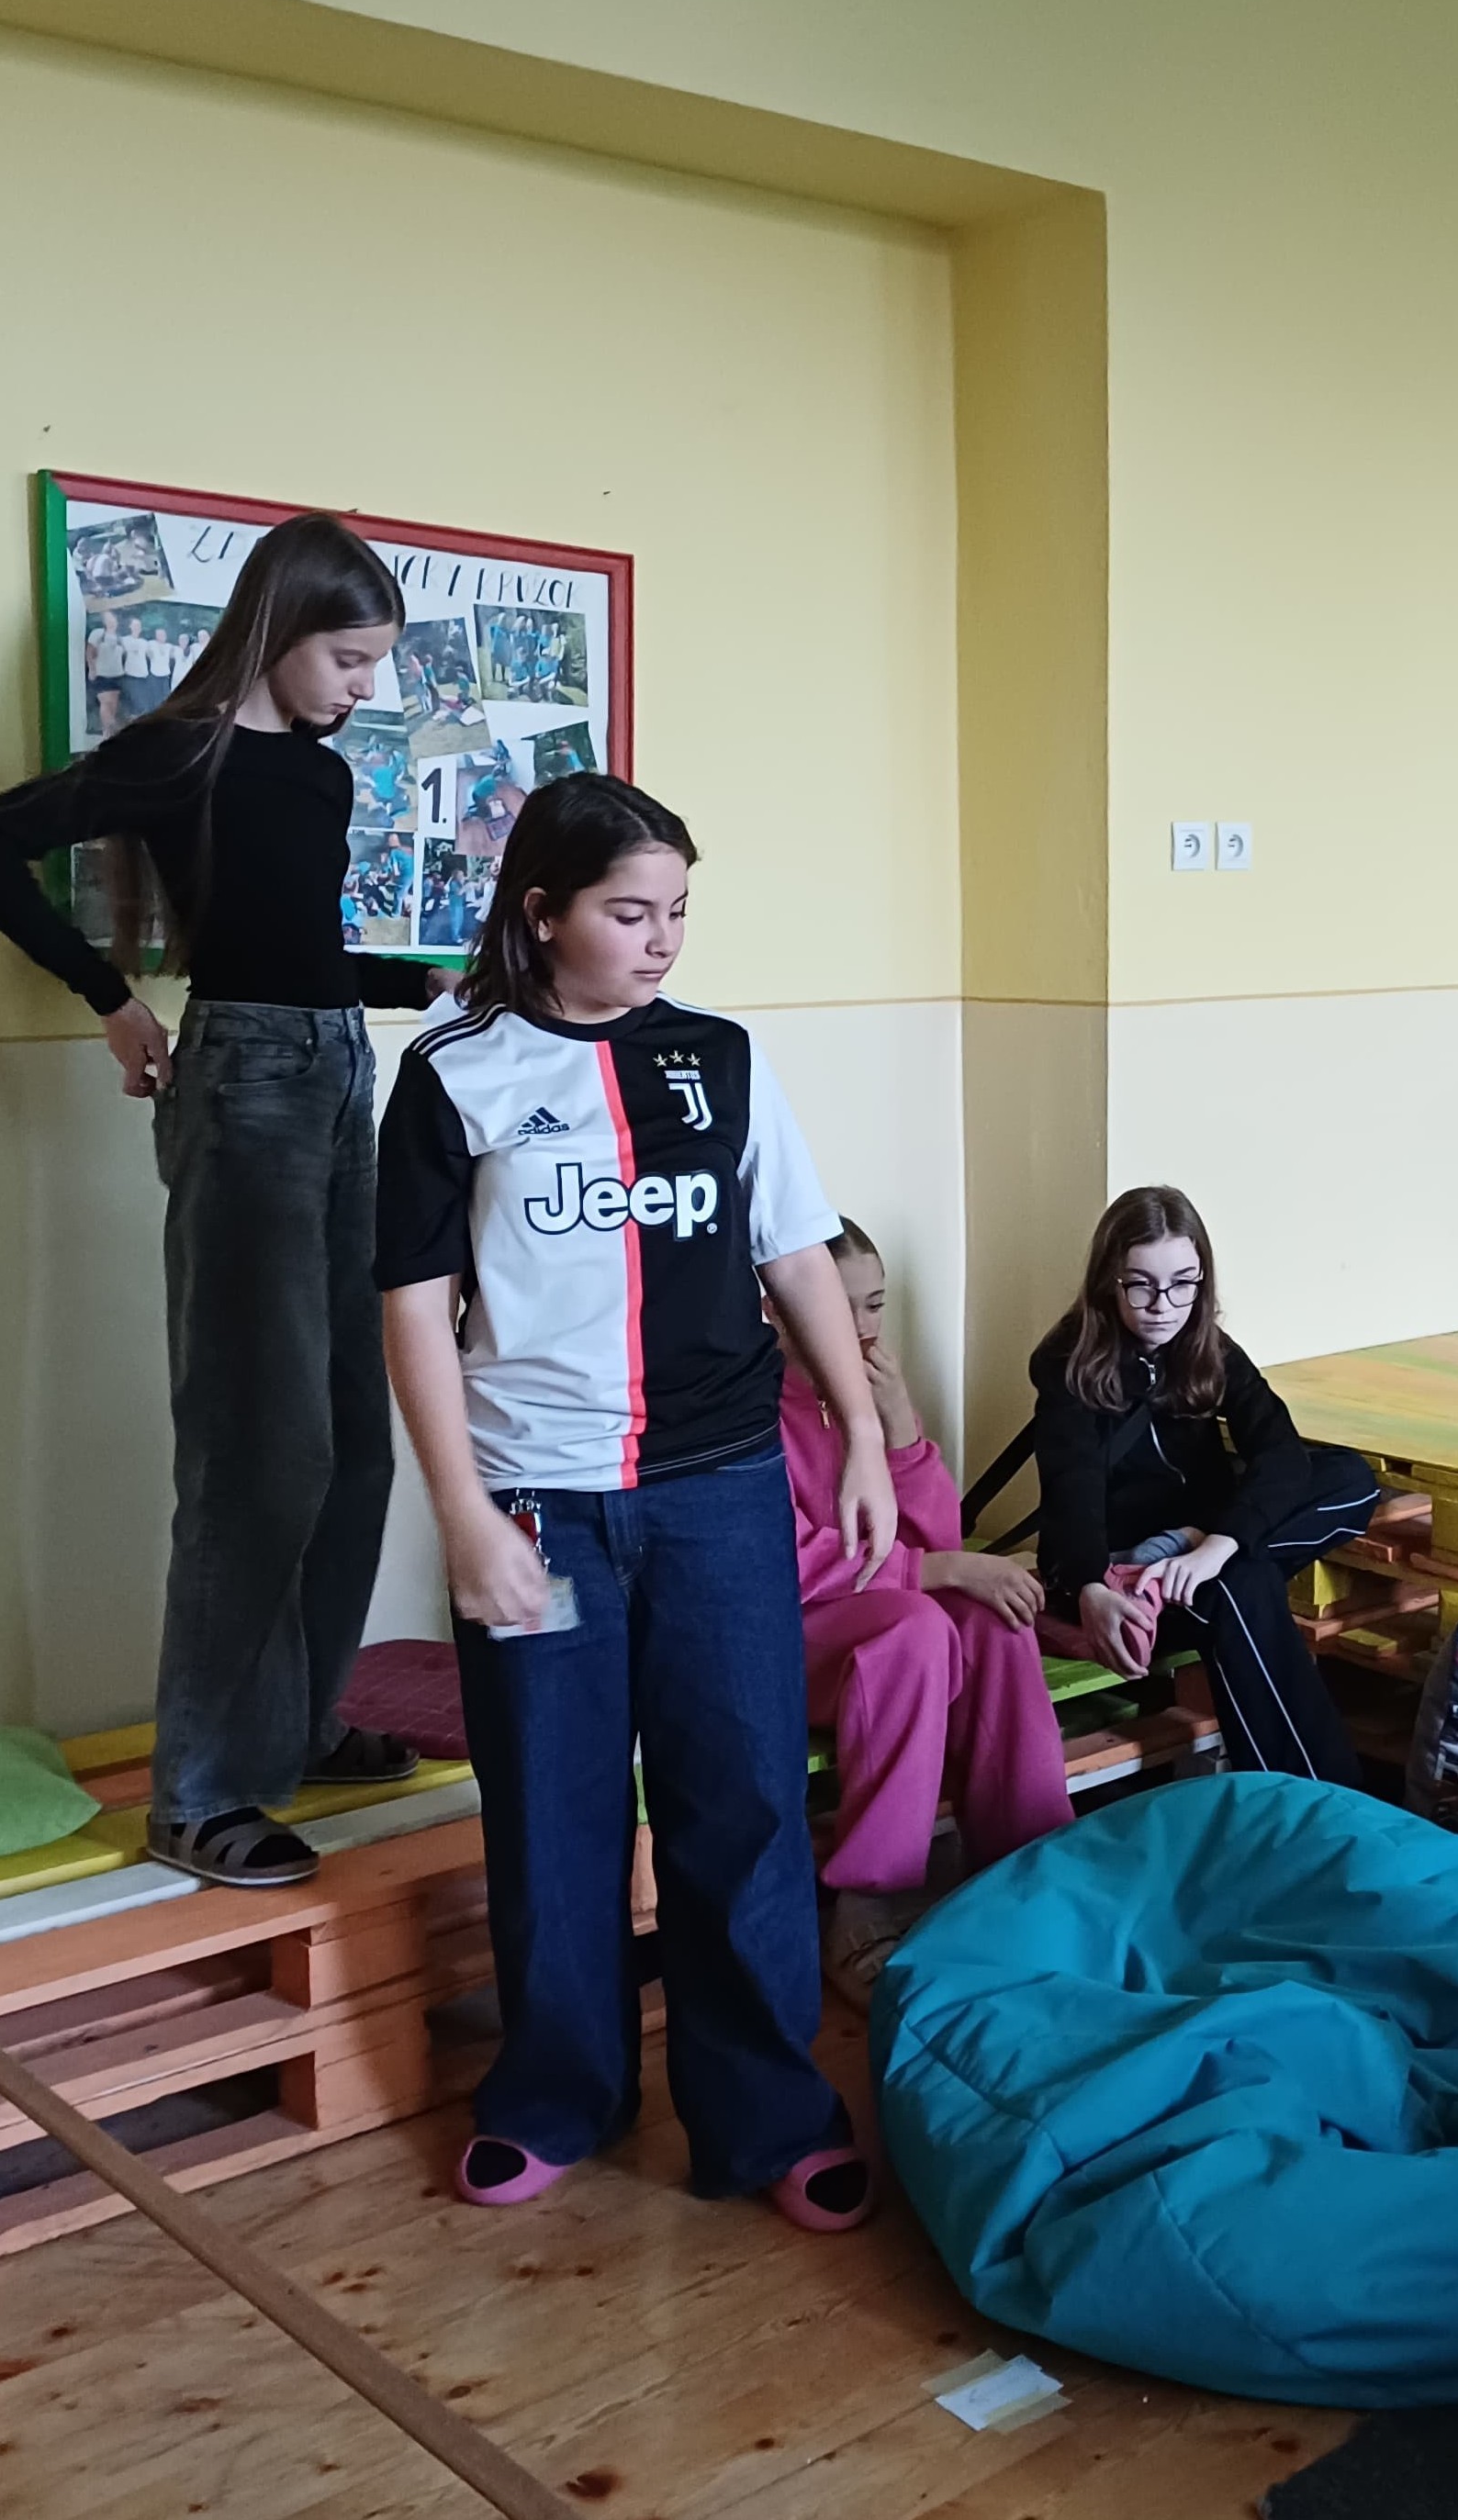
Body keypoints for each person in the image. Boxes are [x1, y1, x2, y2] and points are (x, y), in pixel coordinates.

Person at [376, 770, 892, 2234]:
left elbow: (794, 1251)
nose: (662, 937)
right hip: (539, 1498)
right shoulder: (453, 1070)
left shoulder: (720, 1057)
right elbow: (413, 1309)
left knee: (744, 1802)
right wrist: (464, 1513)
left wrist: (858, 1430)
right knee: (555, 1807)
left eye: (676, 909)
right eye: (628, 910)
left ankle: (767, 2113)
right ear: (542, 912)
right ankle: (556, 2095)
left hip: (716, 1490)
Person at [0, 514, 439, 1888]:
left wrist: (428, 985)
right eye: (349, 657)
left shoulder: (320, 772)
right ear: (278, 630)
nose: (365, 687)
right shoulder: (179, 752)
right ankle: (201, 1789)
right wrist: (109, 997)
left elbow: (301, 950)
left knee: (355, 1438)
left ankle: (297, 1722)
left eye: (377, 662)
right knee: (256, 1446)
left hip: (340, 1073)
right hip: (248, 1091)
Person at [783, 1218, 1073, 2006]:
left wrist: (902, 1426)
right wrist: (938, 1568)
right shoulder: (751, 1405)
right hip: (786, 1635)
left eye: (875, 1304)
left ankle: (1031, 1864)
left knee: (990, 1616)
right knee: (918, 1626)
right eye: (840, 1306)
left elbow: (937, 1535)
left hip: (876, 1620)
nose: (862, 1326)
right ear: (782, 1306)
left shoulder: (865, 1394)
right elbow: (788, 1564)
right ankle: (868, 1904)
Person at [1029, 1185, 1380, 1784]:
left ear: (1202, 1280)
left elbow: (1280, 1450)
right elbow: (1071, 1491)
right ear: (1108, 1280)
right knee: (1242, 1583)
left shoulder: (1205, 1344)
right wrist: (1090, 1586)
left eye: (1182, 1284)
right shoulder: (1071, 1362)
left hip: (1202, 1549)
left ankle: (1305, 1802)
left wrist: (1216, 1544)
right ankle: (1315, 1798)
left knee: (1349, 1477)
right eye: (1140, 1284)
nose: (1162, 1306)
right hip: (1132, 1576)